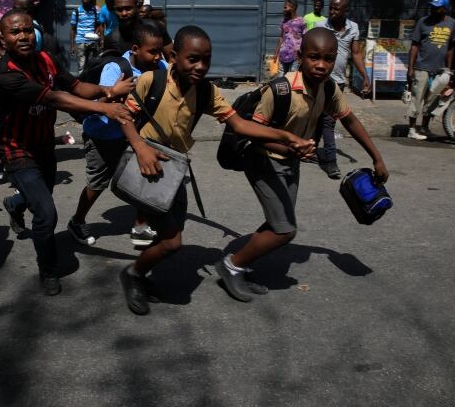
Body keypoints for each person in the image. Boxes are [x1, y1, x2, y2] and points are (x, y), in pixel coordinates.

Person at [117, 25, 315, 315]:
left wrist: (285, 137)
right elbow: (123, 115)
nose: (200, 66)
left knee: (168, 236)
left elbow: (240, 125)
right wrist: (140, 146)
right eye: (193, 59)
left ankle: (141, 273)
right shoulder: (151, 80)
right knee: (172, 243)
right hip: (146, 165)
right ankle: (133, 274)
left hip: (173, 170)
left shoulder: (207, 92)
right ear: (174, 57)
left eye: (206, 60)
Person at [214, 28, 389, 302]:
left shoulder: (329, 87)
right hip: (263, 161)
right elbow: (252, 133)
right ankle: (230, 265)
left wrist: (376, 156)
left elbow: (350, 120)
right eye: (314, 57)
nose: (321, 65)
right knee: (285, 230)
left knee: (278, 222)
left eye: (328, 58)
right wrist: (290, 145)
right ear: (299, 56)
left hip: (291, 163)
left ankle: (241, 264)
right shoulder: (280, 90)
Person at [0, 10, 135, 295]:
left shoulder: (45, 59)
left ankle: (15, 204)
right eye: (15, 32)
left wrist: (107, 89)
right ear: (3, 38)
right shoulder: (5, 74)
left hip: (44, 144)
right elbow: (56, 98)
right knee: (46, 214)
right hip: (17, 150)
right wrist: (104, 106)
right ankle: (48, 269)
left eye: (27, 30)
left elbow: (76, 86)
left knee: (40, 195)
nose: (23, 37)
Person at [67, 23, 169, 247]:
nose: (157, 56)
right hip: (102, 134)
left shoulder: (161, 66)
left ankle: (140, 225)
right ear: (135, 49)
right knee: (98, 183)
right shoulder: (117, 68)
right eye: (152, 51)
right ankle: (77, 221)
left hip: (134, 133)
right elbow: (96, 104)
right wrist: (114, 92)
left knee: (145, 175)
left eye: (159, 50)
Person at [314, 0, 371, 179]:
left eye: (336, 9)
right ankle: (320, 155)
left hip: (337, 83)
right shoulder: (320, 26)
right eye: (330, 8)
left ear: (346, 11)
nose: (332, 12)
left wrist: (364, 75)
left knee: (328, 121)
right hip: (318, 79)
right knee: (318, 118)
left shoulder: (353, 28)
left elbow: (355, 54)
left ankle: (328, 160)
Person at [406, 0, 455, 140]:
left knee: (433, 100)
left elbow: (451, 47)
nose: (433, 9)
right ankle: (412, 129)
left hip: (440, 70)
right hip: (422, 67)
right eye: (432, 7)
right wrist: (410, 68)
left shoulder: (452, 23)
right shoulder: (423, 22)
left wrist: (449, 68)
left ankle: (424, 127)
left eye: (437, 7)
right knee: (417, 99)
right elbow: (415, 46)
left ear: (444, 9)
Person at [105, 0, 173, 59]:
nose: (124, 13)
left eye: (128, 8)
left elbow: (172, 60)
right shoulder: (111, 39)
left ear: (137, 7)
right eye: (119, 9)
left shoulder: (156, 27)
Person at [13, 0, 67, 71]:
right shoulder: (31, 27)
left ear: (25, 11)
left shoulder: (33, 31)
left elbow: (29, 57)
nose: (12, 11)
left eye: (15, 8)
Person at [70, 0, 100, 72]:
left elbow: (98, 24)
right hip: (81, 42)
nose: (85, 1)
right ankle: (81, 83)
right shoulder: (76, 12)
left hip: (92, 42)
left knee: (91, 66)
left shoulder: (95, 11)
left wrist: (96, 34)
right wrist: (72, 46)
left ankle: (89, 83)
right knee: (82, 66)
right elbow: (72, 29)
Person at [275, 0, 306, 72]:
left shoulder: (301, 21)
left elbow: (305, 37)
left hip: (296, 55)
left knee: (292, 76)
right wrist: (276, 53)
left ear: (293, 8)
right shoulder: (284, 21)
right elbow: (281, 37)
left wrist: (303, 53)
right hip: (283, 54)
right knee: (281, 77)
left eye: (285, 7)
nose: (283, 10)